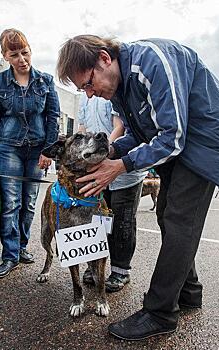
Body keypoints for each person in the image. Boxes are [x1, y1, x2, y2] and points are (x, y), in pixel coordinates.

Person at [57, 35, 219, 340]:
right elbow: (142, 134)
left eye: (88, 83)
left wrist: (121, 166)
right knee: (167, 212)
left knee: (180, 220)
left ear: (103, 59)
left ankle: (160, 312)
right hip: (184, 143)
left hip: (206, 140)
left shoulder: (151, 62)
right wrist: (112, 153)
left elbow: (172, 136)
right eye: (82, 90)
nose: (89, 94)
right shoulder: (120, 89)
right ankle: (189, 292)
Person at [0, 29, 59, 279]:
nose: (22, 59)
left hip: (37, 149)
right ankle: (10, 255)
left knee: (28, 203)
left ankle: (23, 247)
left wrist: (49, 150)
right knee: (11, 203)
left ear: (30, 50)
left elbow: (53, 117)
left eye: (24, 52)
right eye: (14, 54)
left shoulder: (46, 81)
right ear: (5, 56)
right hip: (8, 148)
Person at [78, 94, 147, 293]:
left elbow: (120, 127)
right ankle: (94, 266)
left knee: (123, 221)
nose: (86, 90)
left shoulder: (110, 92)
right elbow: (83, 129)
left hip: (123, 168)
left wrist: (103, 150)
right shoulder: (85, 99)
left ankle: (120, 271)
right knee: (98, 220)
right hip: (97, 167)